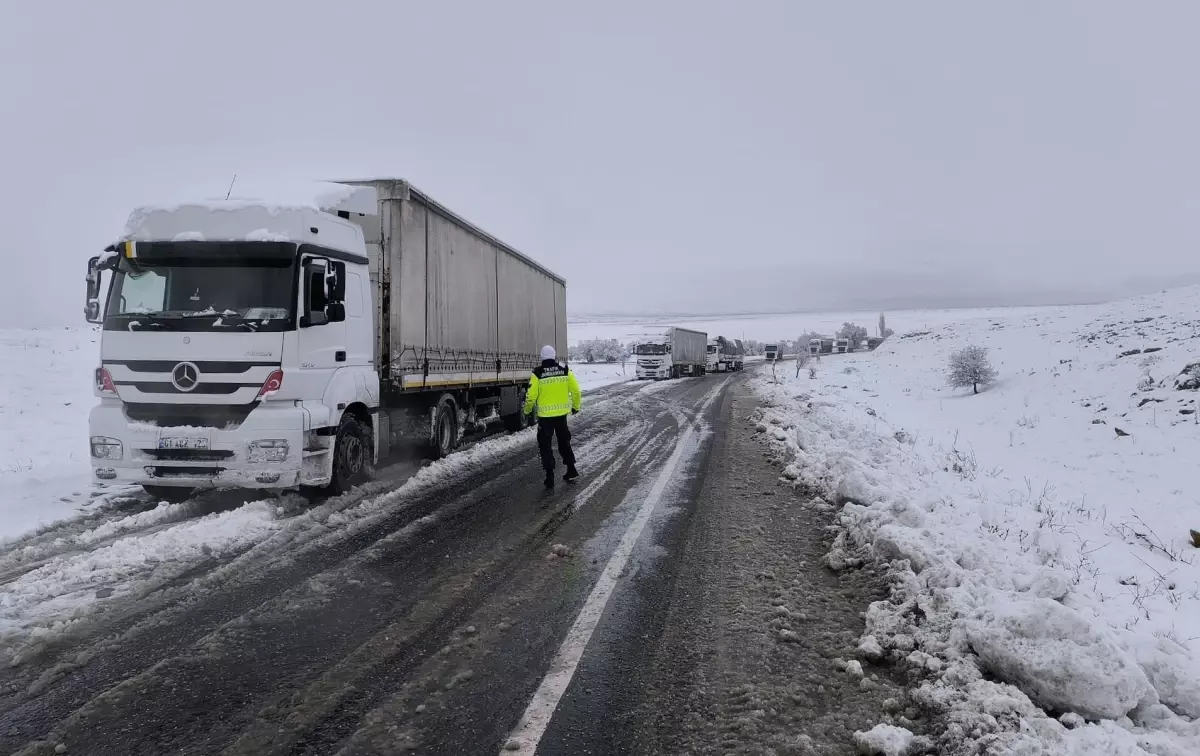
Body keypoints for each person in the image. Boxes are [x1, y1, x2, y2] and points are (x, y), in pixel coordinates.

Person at [523, 345, 581, 488]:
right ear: (554, 356)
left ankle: (550, 477)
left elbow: (531, 396)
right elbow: (576, 391)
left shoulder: (537, 373)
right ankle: (571, 469)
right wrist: (575, 407)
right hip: (561, 415)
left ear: (542, 357)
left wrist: (527, 411)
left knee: (545, 446)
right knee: (564, 442)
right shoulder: (565, 369)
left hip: (545, 417)